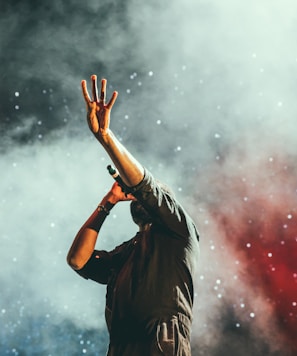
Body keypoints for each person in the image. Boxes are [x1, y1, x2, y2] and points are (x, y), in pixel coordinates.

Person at [67, 75, 200, 356]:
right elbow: (78, 260)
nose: (137, 196)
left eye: (146, 196)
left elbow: (145, 185)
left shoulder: (178, 228)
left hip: (160, 342)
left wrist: (106, 137)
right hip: (121, 346)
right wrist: (108, 202)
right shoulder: (127, 251)